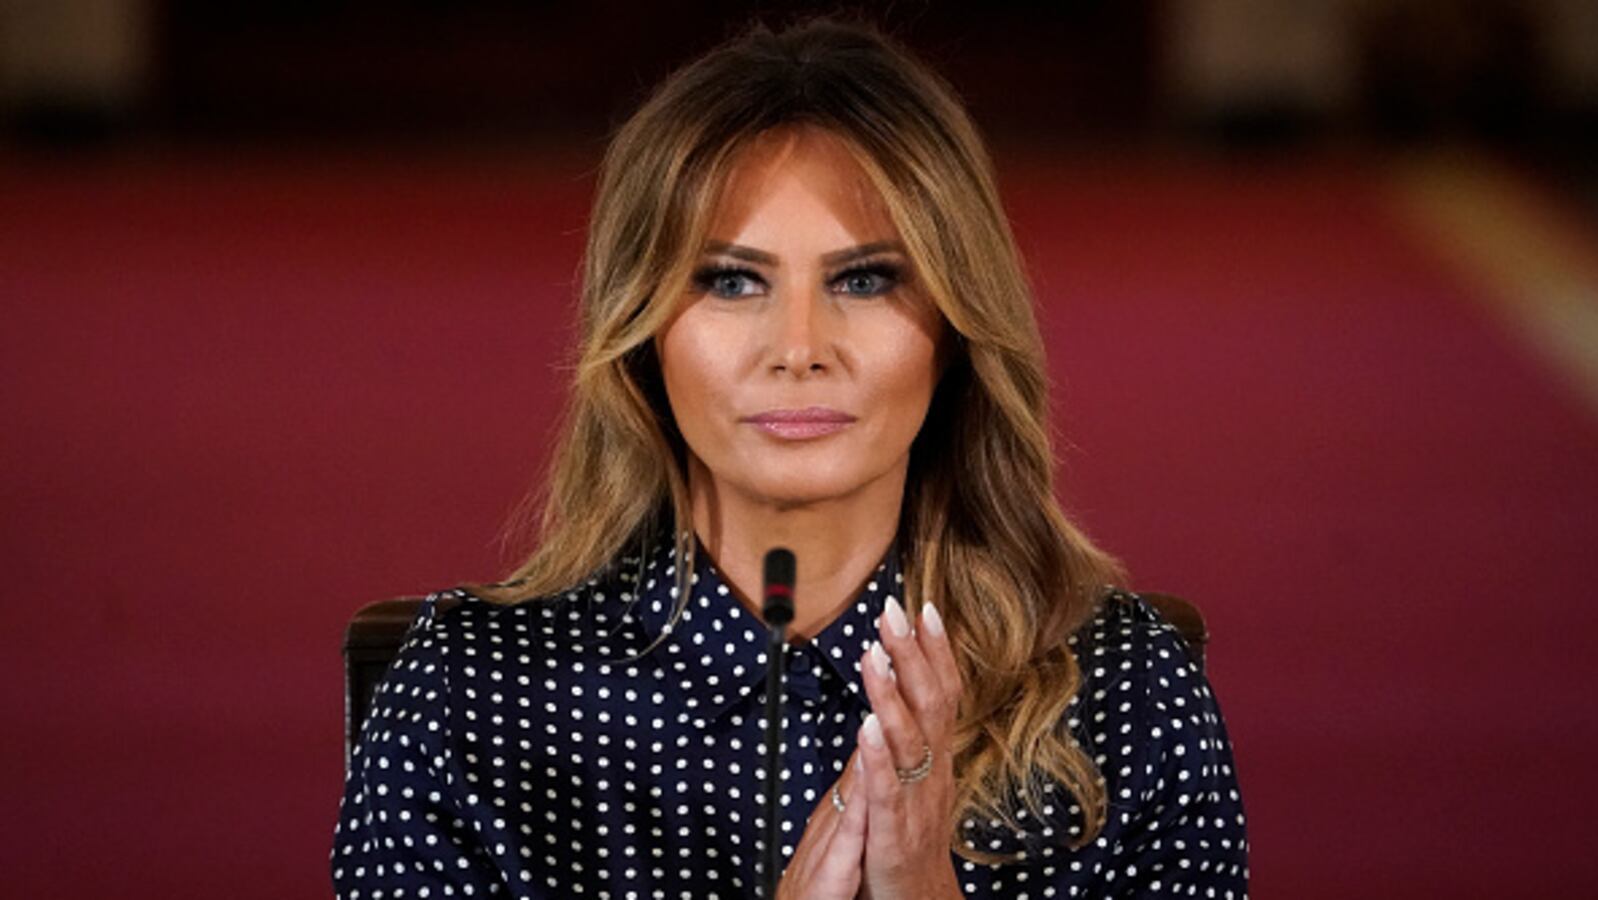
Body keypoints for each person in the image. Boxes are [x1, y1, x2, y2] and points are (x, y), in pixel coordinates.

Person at [330, 13, 1248, 899]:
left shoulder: (1125, 695)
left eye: (864, 279)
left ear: (958, 330)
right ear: (640, 332)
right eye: (732, 281)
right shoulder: (472, 699)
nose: (800, 346)